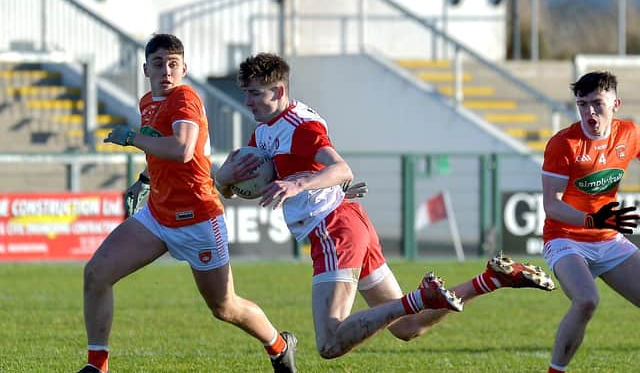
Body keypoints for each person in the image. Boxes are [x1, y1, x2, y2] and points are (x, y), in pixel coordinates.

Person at [214, 52, 556, 359]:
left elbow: (341, 168)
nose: (248, 101)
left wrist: (298, 183)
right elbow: (249, 186)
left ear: (279, 91)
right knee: (409, 327)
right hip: (347, 222)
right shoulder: (263, 132)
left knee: (329, 343)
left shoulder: (301, 127)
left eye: (255, 93)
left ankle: (422, 297)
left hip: (333, 229)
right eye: (245, 92)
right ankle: (492, 280)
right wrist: (225, 180)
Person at [76, 34, 297, 373]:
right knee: (96, 273)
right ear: (146, 68)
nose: (167, 70)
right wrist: (146, 180)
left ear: (185, 68)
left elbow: (181, 149)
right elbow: (159, 148)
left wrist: (132, 138)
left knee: (225, 307)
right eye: (159, 64)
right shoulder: (148, 101)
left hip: (198, 218)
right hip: (158, 215)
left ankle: (280, 346)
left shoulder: (185, 99)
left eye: (174, 64)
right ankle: (97, 367)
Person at [541, 71, 640, 373]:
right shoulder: (564, 144)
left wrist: (601, 223)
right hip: (565, 238)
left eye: (597, 103)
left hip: (608, 239)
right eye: (582, 104)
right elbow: (552, 206)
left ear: (616, 103)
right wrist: (593, 218)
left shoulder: (629, 133)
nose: (589, 112)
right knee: (586, 301)